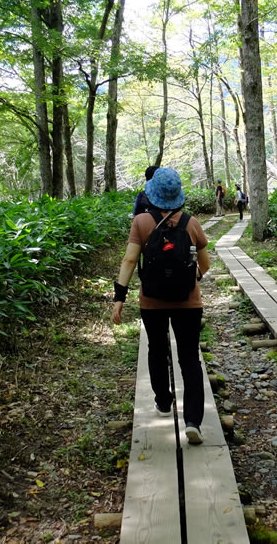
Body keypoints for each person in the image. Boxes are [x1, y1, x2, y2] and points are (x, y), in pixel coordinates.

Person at [112, 167, 211, 445]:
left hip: (152, 302)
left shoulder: (141, 222)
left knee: (156, 351)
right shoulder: (192, 223)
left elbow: (130, 261)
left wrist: (119, 298)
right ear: (178, 196)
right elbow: (205, 265)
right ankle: (193, 421)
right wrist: (193, 278)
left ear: (153, 194)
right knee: (190, 359)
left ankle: (164, 402)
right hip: (188, 302)